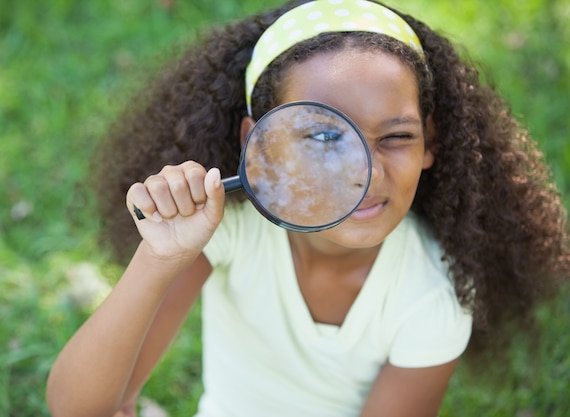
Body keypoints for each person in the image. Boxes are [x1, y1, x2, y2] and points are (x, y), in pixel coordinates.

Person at [46, 1, 570, 416]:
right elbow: (79, 408)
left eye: (396, 137)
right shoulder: (230, 228)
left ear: (430, 143)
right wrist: (159, 257)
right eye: (323, 135)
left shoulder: (430, 298)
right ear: (261, 144)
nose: (363, 172)